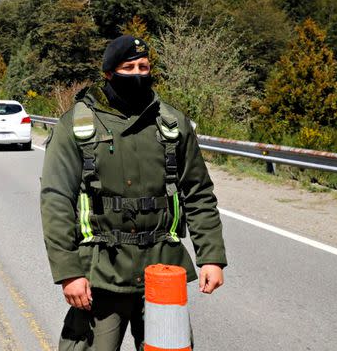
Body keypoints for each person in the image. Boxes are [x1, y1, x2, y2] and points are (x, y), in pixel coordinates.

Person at [40, 35, 227, 351]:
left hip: (163, 270)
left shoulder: (172, 123)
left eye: (144, 66)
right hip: (101, 274)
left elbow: (198, 193)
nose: (138, 73)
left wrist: (212, 257)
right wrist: (68, 272)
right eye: (129, 67)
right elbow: (56, 199)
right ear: (109, 73)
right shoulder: (77, 124)